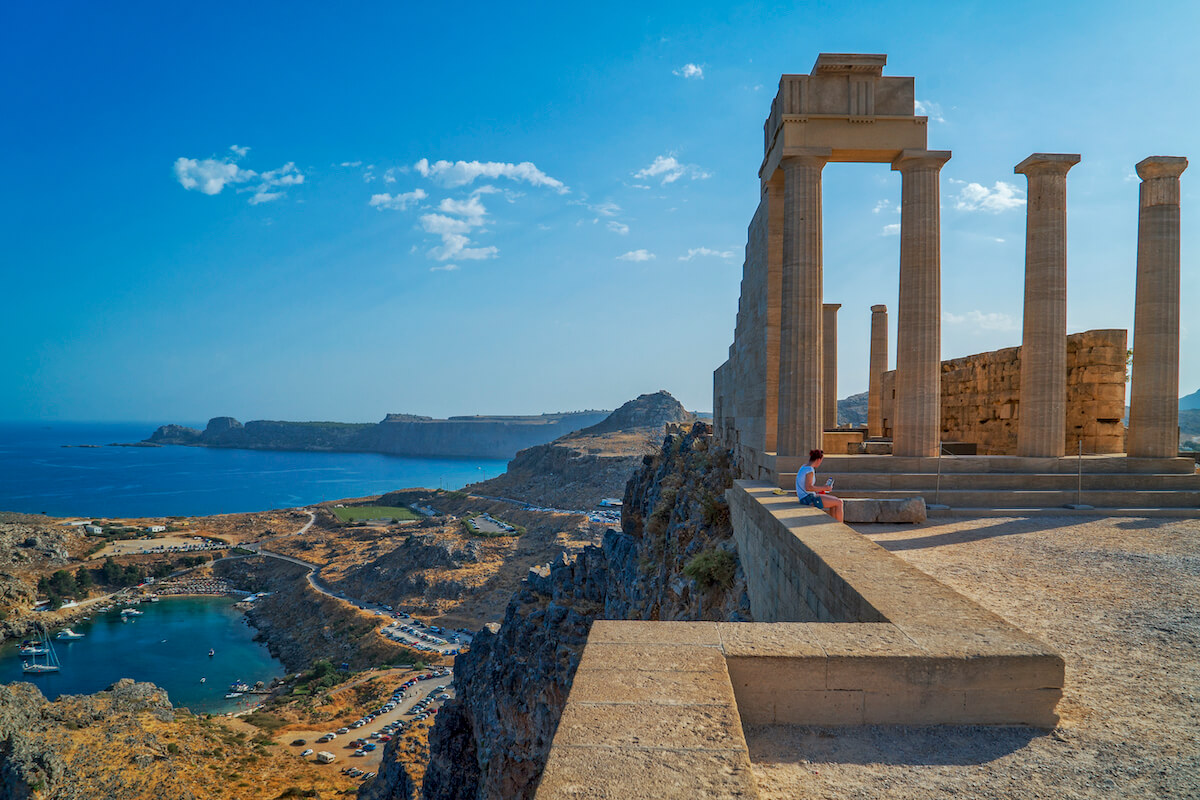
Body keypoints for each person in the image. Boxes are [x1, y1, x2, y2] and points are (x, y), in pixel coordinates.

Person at [795, 448, 843, 523]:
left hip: (804, 497)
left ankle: (835, 525)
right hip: (808, 499)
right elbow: (808, 487)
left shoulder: (804, 467)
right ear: (818, 460)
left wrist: (822, 489)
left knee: (834, 503)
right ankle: (841, 529)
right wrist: (825, 488)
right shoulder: (809, 470)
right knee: (839, 502)